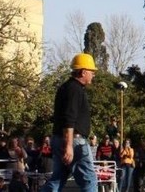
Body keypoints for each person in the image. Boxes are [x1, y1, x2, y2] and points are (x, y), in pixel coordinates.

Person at [39, 53, 98, 192]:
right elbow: (69, 119)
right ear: (83, 72)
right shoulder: (75, 89)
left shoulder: (66, 87)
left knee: (58, 179)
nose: (93, 75)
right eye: (92, 71)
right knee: (89, 180)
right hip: (74, 141)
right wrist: (69, 145)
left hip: (59, 138)